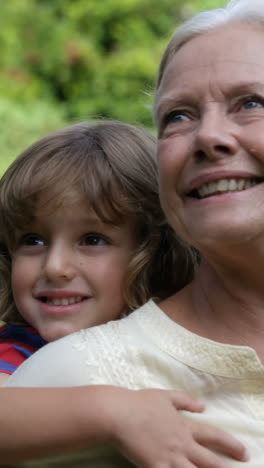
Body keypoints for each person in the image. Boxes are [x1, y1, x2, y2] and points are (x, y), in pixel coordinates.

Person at [7, 0, 264, 466]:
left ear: (149, 244)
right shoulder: (65, 371)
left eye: (251, 103)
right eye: (179, 116)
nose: (209, 136)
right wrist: (108, 408)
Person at [0, 119, 210, 465]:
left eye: (92, 240)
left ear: (155, 252)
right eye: (32, 240)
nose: (55, 267)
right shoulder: (18, 348)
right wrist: (114, 413)